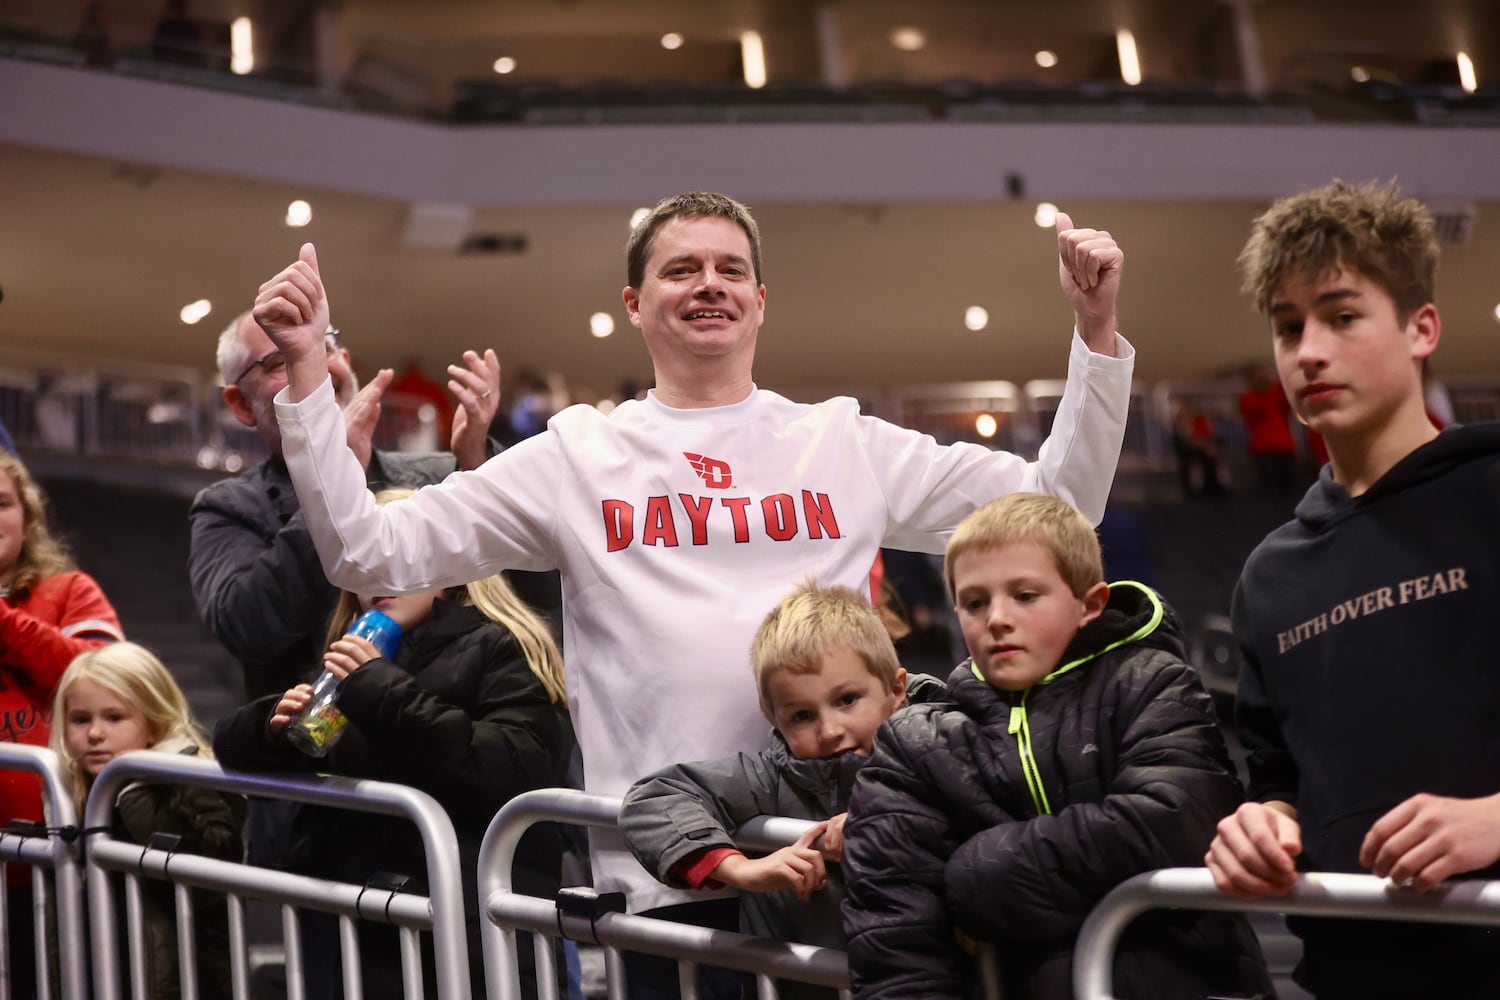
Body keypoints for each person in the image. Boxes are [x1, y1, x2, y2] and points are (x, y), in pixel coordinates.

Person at [251, 191, 1136, 920]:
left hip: (845, 860)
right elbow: (369, 553)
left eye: (730, 269)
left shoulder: (841, 440)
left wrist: (1095, 331)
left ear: (761, 300)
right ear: (634, 304)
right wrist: (305, 382)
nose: (709, 284)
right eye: (681, 269)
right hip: (666, 874)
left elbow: (1056, 508)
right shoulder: (577, 454)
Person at [1205, 180, 1500, 999]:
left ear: (1421, 329)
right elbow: (1280, 781)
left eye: (1341, 316)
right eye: (1288, 327)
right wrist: (1263, 826)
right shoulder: (1271, 576)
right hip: (1351, 977)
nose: (1309, 351)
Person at [842, 493, 1268, 999]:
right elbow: (897, 941)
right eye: (975, 603)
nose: (997, 618)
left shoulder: (1152, 683)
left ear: (1090, 604)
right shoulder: (915, 744)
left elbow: (1175, 822)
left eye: (1025, 595)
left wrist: (977, 877)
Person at [214, 488, 573, 1000]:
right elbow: (236, 750)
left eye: (396, 555)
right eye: (364, 562)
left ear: (446, 563)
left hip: (478, 931)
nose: (377, 577)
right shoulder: (357, 657)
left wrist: (379, 689)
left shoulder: (502, 645)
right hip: (374, 924)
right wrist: (270, 727)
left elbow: (513, 766)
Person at [620, 582, 947, 1000]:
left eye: (847, 699)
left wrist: (885, 814)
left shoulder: (948, 745)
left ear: (896, 689)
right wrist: (741, 870)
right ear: (773, 717)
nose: (829, 730)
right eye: (802, 715)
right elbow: (653, 799)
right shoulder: (773, 777)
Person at [189, 312, 502, 702]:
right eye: (282, 360)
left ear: (346, 363)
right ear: (241, 404)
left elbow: (524, 600)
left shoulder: (442, 475)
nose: (315, 368)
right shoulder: (227, 508)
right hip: (314, 733)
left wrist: (477, 466)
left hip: (456, 729)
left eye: (325, 349)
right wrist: (331, 478)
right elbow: (247, 629)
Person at [51, 642, 244, 1000]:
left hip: (183, 983)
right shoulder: (69, 795)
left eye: (114, 718)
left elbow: (218, 860)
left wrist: (136, 794)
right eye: (80, 719)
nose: (95, 733)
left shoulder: (188, 777)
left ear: (155, 724)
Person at [0, 449, 124, 995]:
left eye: (1, 503)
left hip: (65, 865)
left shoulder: (72, 591)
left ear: (28, 519)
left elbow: (101, 682)